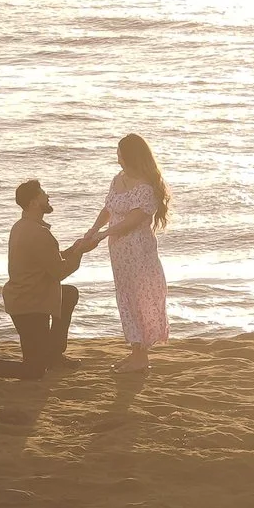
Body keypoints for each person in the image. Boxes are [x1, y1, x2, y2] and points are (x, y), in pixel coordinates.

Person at [0, 179, 99, 381]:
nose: (47, 196)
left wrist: (74, 249)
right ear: (34, 202)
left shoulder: (23, 226)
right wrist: (80, 252)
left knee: (68, 294)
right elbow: (59, 271)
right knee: (33, 370)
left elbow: (47, 260)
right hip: (30, 306)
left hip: (31, 297)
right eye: (43, 193)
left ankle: (53, 355)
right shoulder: (38, 233)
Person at [85, 133, 170, 372]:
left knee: (139, 297)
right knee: (125, 296)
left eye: (120, 153)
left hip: (138, 250)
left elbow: (133, 221)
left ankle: (141, 357)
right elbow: (109, 208)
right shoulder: (118, 179)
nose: (117, 158)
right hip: (119, 250)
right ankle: (135, 352)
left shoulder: (146, 187)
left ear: (130, 155)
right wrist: (93, 230)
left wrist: (103, 235)